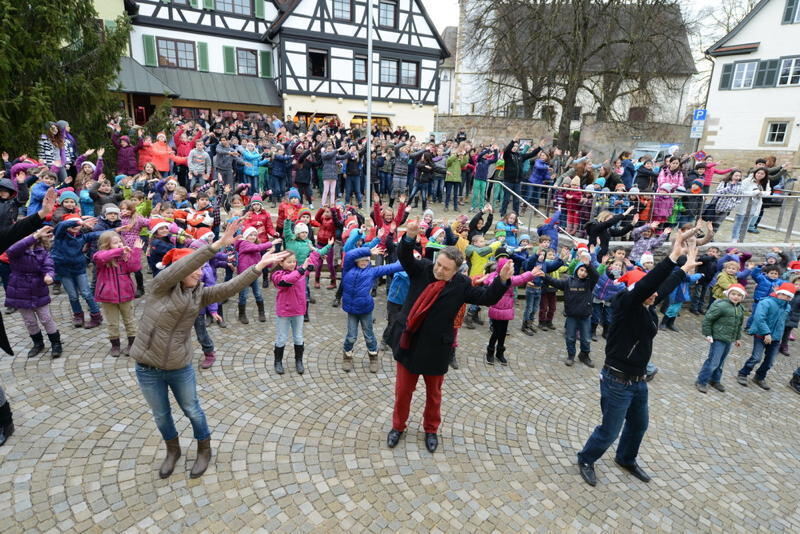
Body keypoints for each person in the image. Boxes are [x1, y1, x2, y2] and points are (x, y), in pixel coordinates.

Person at [130, 221, 289, 479]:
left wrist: (258, 267)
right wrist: (215, 246)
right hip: (147, 366)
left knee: (192, 409)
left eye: (203, 270)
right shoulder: (160, 287)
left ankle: (204, 449)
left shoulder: (199, 294)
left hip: (178, 366)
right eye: (196, 270)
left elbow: (229, 287)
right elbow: (184, 266)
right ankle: (173, 451)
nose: (201, 273)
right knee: (161, 415)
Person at [576, 227, 699, 486]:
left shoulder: (647, 305)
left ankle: (626, 458)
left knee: (638, 425)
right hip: (616, 380)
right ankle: (586, 458)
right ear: (636, 291)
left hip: (638, 381)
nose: (654, 295)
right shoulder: (626, 305)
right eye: (648, 293)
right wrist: (671, 255)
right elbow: (649, 285)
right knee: (609, 430)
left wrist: (683, 267)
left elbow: (660, 288)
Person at [385, 220, 512, 453]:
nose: (439, 269)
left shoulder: (461, 284)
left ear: (455, 272)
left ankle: (431, 429)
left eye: (445, 268)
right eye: (439, 264)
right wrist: (409, 238)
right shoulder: (423, 269)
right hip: (409, 343)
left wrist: (502, 281)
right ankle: (397, 426)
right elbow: (404, 257)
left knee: (434, 395)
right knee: (403, 392)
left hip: (436, 348)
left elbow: (487, 298)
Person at [0, 187, 58, 447]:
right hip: (22, 294)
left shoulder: (38, 252)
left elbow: (8, 238)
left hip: (36, 293)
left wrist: (41, 216)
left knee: (44, 319)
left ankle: (4, 420)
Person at [341, 246, 404, 373]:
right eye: (362, 260)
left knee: (369, 335)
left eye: (367, 260)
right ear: (356, 261)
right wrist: (368, 251)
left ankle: (373, 357)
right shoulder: (348, 269)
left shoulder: (372, 272)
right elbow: (349, 255)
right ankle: (347, 355)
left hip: (365, 310)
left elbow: (391, 267)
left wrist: (410, 261)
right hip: (351, 310)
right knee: (351, 336)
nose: (364, 262)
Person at [5, 227, 62, 359]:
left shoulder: (42, 251)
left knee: (46, 318)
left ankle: (56, 343)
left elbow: (48, 266)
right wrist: (34, 236)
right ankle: (38, 343)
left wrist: (49, 275)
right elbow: (12, 250)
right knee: (29, 321)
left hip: (38, 288)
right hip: (19, 289)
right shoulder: (16, 250)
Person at [736, 282, 795, 390]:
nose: (785, 297)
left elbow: (782, 322)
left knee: (770, 361)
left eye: (788, 296)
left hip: (776, 338)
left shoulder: (787, 307)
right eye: (784, 294)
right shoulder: (766, 302)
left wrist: (778, 335)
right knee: (756, 358)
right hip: (761, 335)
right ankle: (743, 373)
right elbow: (759, 318)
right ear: (779, 292)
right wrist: (766, 333)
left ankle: (759, 377)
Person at [695, 283, 746, 393]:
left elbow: (738, 324)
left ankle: (715, 380)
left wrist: (737, 338)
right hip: (718, 338)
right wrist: (708, 334)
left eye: (739, 295)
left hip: (729, 339)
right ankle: (701, 381)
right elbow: (708, 319)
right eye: (733, 294)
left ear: (742, 298)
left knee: (722, 361)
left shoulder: (740, 308)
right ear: (728, 294)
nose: (736, 297)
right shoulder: (721, 305)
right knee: (713, 361)